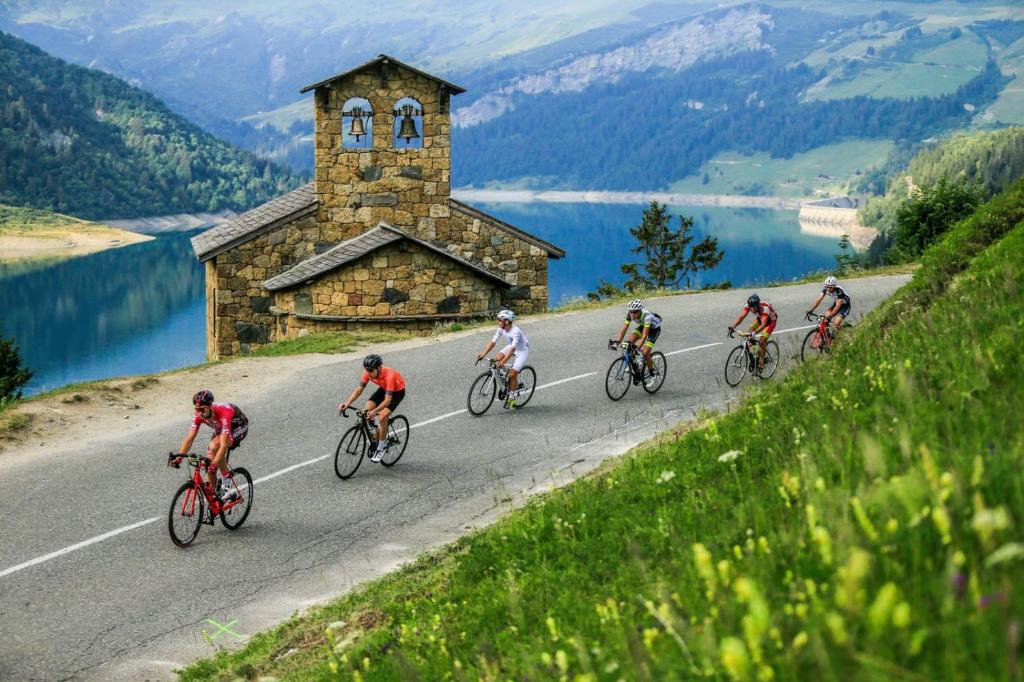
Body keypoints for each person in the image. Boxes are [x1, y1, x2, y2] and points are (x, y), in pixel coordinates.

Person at [173, 390, 248, 503]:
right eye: (197, 409)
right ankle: (213, 501)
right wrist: (178, 458)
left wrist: (214, 465)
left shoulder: (224, 412)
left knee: (214, 447)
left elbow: (223, 445)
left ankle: (227, 482)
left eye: (203, 409)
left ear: (210, 406)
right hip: (221, 428)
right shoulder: (199, 415)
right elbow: (189, 439)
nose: (200, 413)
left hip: (238, 427)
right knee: (210, 459)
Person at [339, 354, 406, 462]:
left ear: (379, 368)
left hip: (397, 392)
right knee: (366, 410)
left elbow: (387, 401)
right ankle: (375, 434)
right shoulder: (367, 372)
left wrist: (375, 411)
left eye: (371, 370)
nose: (368, 372)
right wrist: (347, 402)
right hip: (384, 389)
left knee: (382, 417)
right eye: (367, 370)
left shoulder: (390, 376)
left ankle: (381, 447)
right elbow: (359, 390)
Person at [476, 309, 530, 409]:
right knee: (497, 358)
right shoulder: (501, 329)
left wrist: (504, 362)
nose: (497, 322)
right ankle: (506, 381)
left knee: (512, 374)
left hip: (522, 351)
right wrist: (483, 354)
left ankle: (511, 398)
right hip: (511, 347)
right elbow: (493, 342)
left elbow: (513, 350)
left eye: (499, 320)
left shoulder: (515, 332)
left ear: (507, 321)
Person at [613, 299, 662, 384]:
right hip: (644, 326)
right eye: (630, 311)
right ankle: (636, 365)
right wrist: (617, 342)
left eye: (635, 312)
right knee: (629, 343)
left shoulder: (647, 317)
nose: (632, 314)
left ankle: (652, 374)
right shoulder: (630, 315)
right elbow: (624, 329)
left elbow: (644, 336)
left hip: (654, 330)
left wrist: (638, 348)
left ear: (639, 311)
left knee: (645, 353)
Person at [727, 293, 777, 373]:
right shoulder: (749, 306)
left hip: (771, 321)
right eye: (750, 306)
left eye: (754, 307)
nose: (752, 309)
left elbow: (763, 324)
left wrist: (755, 332)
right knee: (749, 333)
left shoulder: (764, 308)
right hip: (761, 318)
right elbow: (741, 317)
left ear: (758, 305)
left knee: (761, 341)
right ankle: (756, 355)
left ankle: (761, 363)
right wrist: (733, 327)